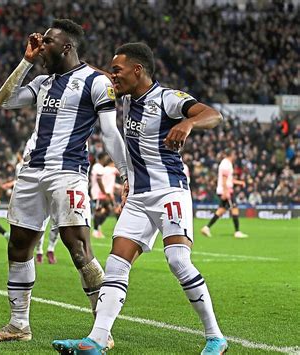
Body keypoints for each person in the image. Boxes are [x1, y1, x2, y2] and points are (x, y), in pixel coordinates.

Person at [53, 42, 228, 354]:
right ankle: (95, 340)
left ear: (138, 70)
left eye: (118, 71)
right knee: (116, 263)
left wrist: (187, 123)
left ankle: (216, 337)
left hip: (169, 191)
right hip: (138, 197)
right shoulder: (126, 96)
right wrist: (72, 58)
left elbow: (212, 114)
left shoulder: (167, 99)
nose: (113, 78)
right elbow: (101, 73)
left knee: (177, 259)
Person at [0, 19, 127, 346]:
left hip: (67, 172)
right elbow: (4, 100)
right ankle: (18, 325)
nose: (42, 45)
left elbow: (110, 132)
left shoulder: (96, 82)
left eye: (48, 42)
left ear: (67, 47)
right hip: (31, 171)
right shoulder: (43, 81)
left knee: (78, 247)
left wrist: (125, 173)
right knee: (18, 245)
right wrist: (26, 60)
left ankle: (102, 330)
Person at [201, 149, 248, 239]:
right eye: (234, 154)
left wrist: (239, 182)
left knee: (221, 210)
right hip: (226, 190)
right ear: (231, 154)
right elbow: (224, 179)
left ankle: (206, 228)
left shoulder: (225, 163)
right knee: (234, 208)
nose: (235, 156)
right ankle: (237, 231)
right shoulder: (226, 164)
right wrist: (226, 192)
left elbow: (228, 179)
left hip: (224, 189)